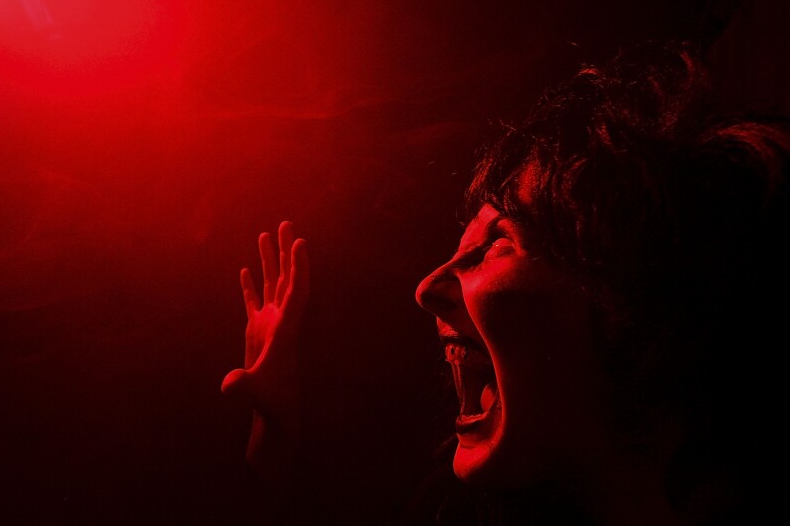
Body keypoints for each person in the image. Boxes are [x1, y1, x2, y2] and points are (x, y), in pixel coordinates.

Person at [221, 40, 790, 525]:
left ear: (643, 296)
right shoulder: (447, 502)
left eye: (497, 244)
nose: (426, 289)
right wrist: (274, 433)